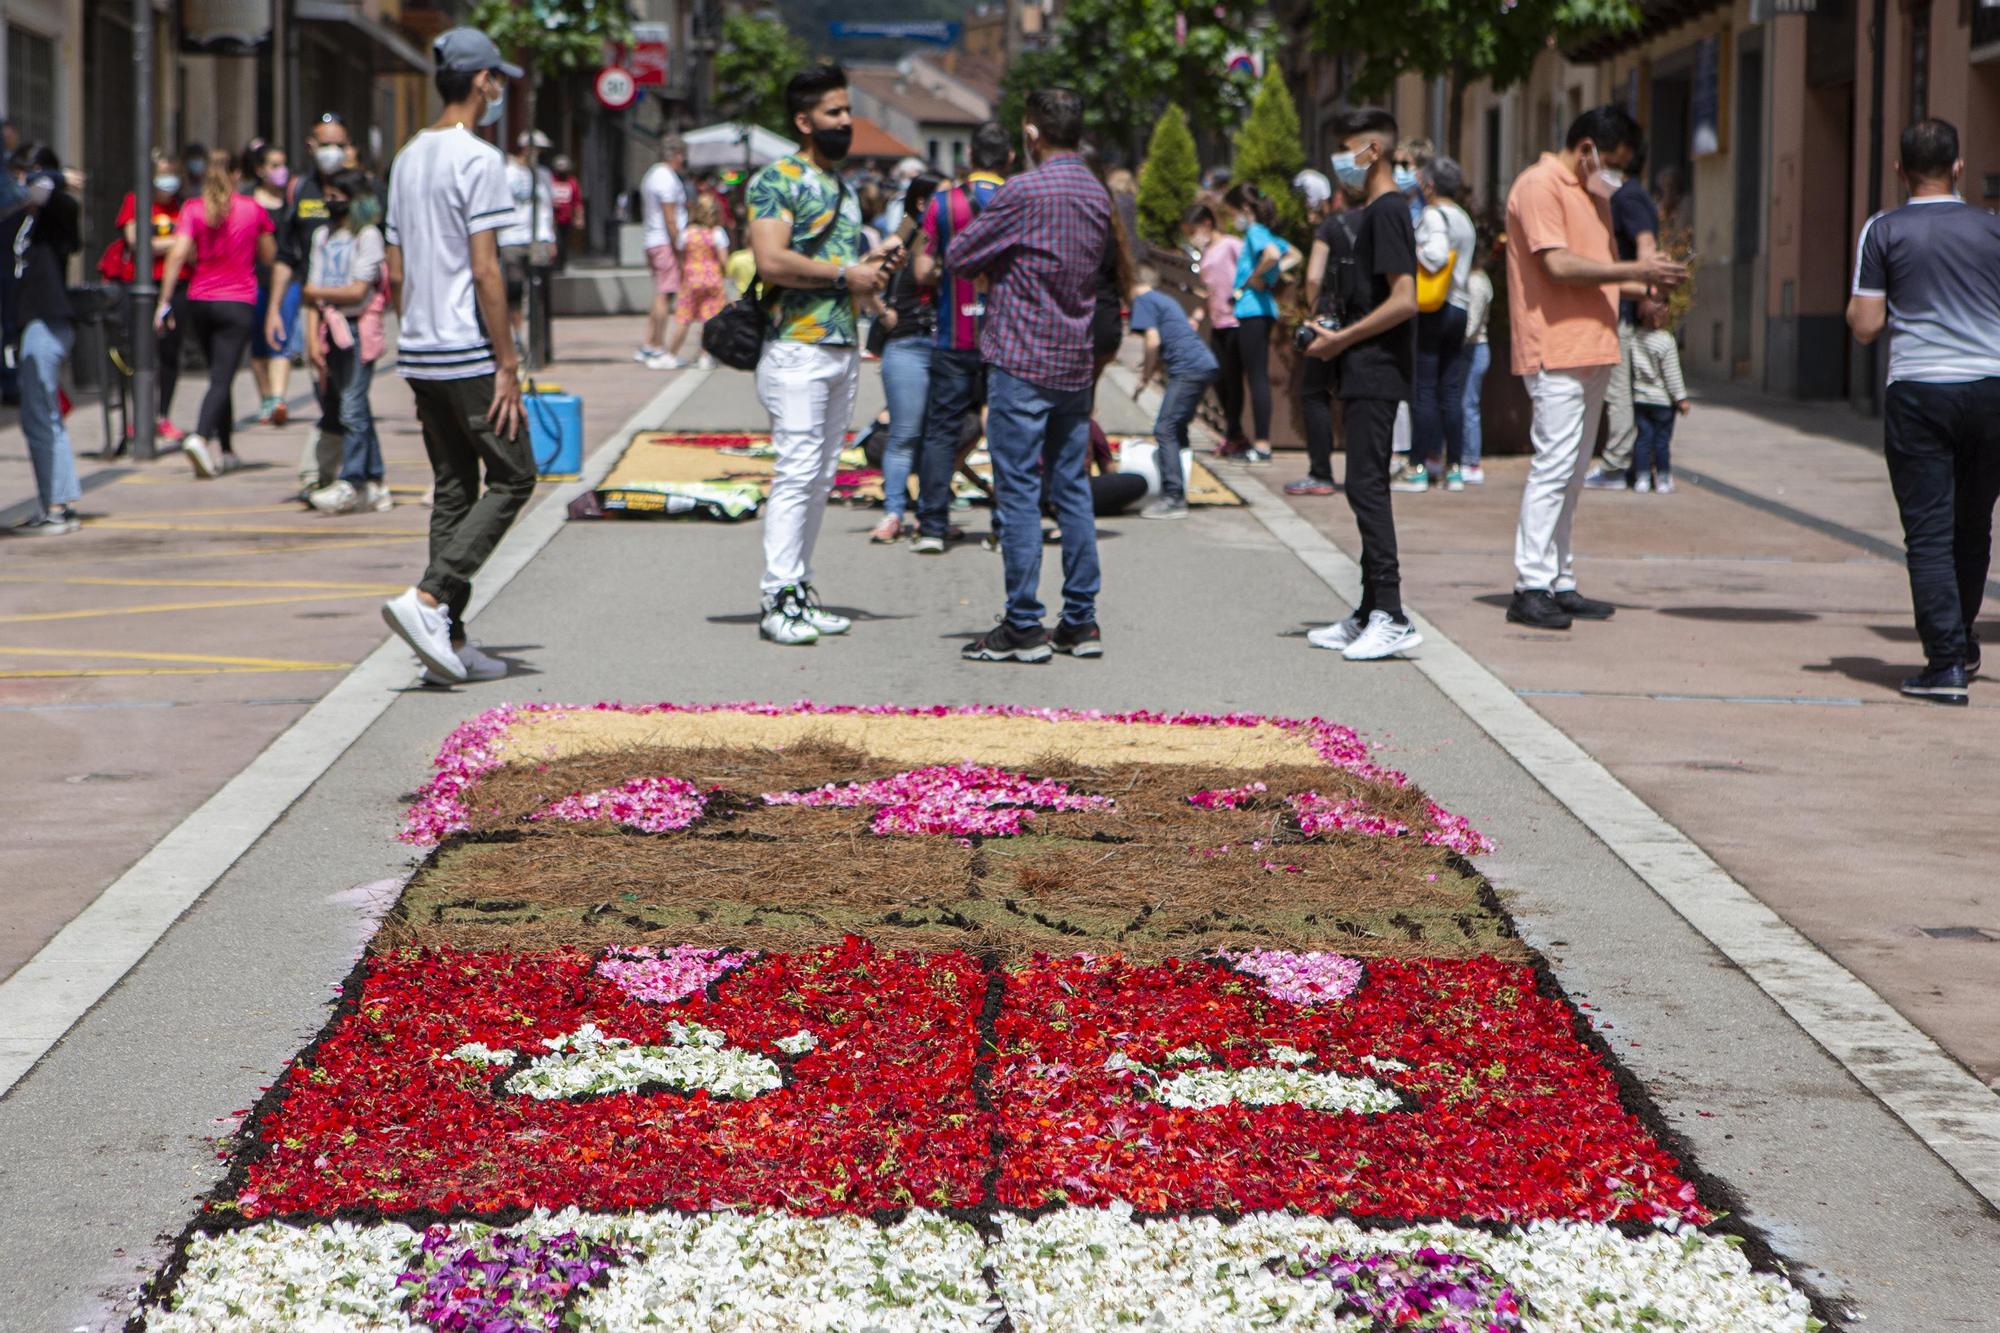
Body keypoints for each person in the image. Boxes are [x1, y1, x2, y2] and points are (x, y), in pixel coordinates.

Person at [378, 26, 533, 687]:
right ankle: (432, 596)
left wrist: (414, 326)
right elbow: (486, 270)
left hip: (418, 347)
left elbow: (393, 266)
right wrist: (507, 362)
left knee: (453, 486)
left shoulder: (409, 156)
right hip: (467, 351)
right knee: (516, 474)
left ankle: (451, 637)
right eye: (496, 79)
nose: (498, 90)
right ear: (481, 82)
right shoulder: (478, 158)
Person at [1503, 105, 1685, 630]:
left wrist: (1647, 285)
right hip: (1555, 346)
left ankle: (1559, 580)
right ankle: (1530, 584)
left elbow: (1596, 273)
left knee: (1573, 473)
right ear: (1586, 150)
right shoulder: (1540, 185)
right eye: (1613, 163)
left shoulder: (1592, 194)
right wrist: (1637, 268)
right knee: (1554, 467)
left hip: (1592, 344)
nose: (1618, 177)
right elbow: (1557, 265)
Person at [947, 87, 1111, 663]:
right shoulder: (1096, 191)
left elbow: (961, 256)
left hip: (1021, 357)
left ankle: (1022, 623)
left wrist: (1004, 266)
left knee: (1017, 490)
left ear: (1033, 133)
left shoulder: (1023, 189)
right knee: (1071, 488)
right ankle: (1080, 621)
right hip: (1074, 360)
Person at [1846, 117, 2000, 705]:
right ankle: (1961, 642)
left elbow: (1866, 326)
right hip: (1992, 390)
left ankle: (1945, 664)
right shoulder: (1991, 228)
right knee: (1973, 521)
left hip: (1920, 390)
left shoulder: (1883, 230)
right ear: (1958, 166)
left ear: (1899, 169)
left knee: (1929, 530)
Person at [745, 64, 895, 645]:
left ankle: (798, 589)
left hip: (840, 347)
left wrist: (875, 272)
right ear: (804, 121)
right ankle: (777, 596)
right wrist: (845, 272)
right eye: (833, 113)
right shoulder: (776, 180)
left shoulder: (844, 188)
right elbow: (771, 261)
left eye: (846, 111)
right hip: (795, 349)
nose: (845, 122)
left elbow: (847, 275)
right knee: (797, 470)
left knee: (821, 474)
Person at [1299, 107, 1422, 662]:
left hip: (1376, 367)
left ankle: (1392, 614)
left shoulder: (1389, 211)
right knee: (1361, 485)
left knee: (1368, 487)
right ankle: (1369, 608)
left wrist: (1341, 339)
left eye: (1348, 149)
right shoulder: (1373, 212)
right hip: (1360, 364)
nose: (1340, 163)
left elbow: (1405, 300)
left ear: (1373, 149)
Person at [910, 121, 1010, 555]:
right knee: (1005, 430)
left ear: (969, 157)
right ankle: (1004, 526)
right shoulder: (1018, 199)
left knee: (941, 430)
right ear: (1009, 159)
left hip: (954, 333)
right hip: (1007, 336)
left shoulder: (942, 203)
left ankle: (932, 524)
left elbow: (921, 270)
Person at [156, 149, 277, 478]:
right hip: (237, 301)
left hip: (199, 301)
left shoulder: (194, 209)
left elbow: (177, 255)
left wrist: (164, 301)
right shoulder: (252, 209)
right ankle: (201, 436)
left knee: (217, 378)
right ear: (237, 175)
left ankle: (226, 449)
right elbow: (269, 256)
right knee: (223, 378)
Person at [266, 111, 358, 497]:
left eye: (339, 145)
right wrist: (274, 309)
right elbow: (286, 255)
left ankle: (356, 475)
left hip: (354, 308)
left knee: (352, 396)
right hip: (311, 307)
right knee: (326, 390)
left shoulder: (361, 191)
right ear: (311, 146)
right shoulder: (299, 191)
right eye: (325, 145)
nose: (332, 152)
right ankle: (322, 473)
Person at [301, 169, 390, 515]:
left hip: (358, 329)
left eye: (338, 196)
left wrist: (318, 293)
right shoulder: (322, 235)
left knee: (352, 408)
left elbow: (357, 290)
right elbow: (312, 293)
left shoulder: (367, 236)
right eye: (328, 196)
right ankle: (376, 482)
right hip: (328, 328)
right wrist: (311, 339)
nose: (331, 202)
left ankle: (351, 482)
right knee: (353, 408)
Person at [9, 154, 82, 534]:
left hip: (47, 322)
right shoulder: (16, 221)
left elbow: (62, 202)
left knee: (42, 417)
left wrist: (49, 177)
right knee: (42, 416)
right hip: (26, 326)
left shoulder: (52, 224)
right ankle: (60, 504)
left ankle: (55, 507)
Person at [870, 173, 943, 544]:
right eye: (941, 197)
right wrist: (884, 314)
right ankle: (893, 512)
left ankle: (932, 514)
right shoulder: (909, 235)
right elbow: (865, 273)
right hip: (908, 344)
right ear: (920, 203)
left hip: (946, 346)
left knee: (937, 437)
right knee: (904, 434)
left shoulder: (949, 237)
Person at [1585, 136, 1661, 491]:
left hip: (1622, 305)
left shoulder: (1629, 197)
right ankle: (1624, 462)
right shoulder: (1624, 195)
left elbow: (1646, 244)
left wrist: (1650, 293)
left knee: (1617, 389)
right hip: (1617, 302)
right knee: (1618, 386)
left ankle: (1616, 464)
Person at [1399, 156, 1478, 493]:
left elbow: (1433, 256)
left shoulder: (1433, 215)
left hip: (1434, 307)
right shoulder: (1463, 219)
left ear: (1429, 186)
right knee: (1450, 391)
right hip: (1459, 307)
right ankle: (1455, 467)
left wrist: (1410, 243)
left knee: (1425, 389)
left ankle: (1418, 466)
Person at [110, 152, 189, 444]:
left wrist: (162, 245)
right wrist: (177, 242)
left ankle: (162, 416)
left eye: (172, 174)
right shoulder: (136, 201)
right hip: (140, 284)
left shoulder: (185, 205)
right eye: (162, 174)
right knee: (137, 350)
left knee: (170, 351)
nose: (167, 181)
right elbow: (136, 242)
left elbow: (191, 248)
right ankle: (136, 417)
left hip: (178, 285)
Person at [1128, 262, 1218, 519]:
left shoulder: (1143, 300)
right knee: (1177, 427)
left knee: (1165, 428)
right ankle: (1182, 482)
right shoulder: (1162, 299)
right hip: (1202, 364)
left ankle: (1174, 497)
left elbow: (1153, 341)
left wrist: (1145, 375)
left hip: (1189, 368)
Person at [1289, 178, 1353, 498]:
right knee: (1358, 395)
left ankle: (1320, 472)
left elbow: (1314, 275)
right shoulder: (1378, 220)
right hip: (1367, 317)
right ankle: (1365, 471)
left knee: (1314, 392)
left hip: (1330, 317)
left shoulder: (1331, 227)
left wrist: (1313, 311)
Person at [1220, 182, 1289, 465]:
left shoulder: (1256, 231)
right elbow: (1290, 253)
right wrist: (1270, 274)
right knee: (1253, 375)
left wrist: (1255, 278)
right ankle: (1258, 441)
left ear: (1245, 209)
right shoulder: (1264, 232)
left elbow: (1273, 254)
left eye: (1233, 212)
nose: (1232, 218)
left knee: (1256, 376)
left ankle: (1261, 443)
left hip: (1252, 310)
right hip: (1257, 309)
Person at [1181, 204, 1245, 456]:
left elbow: (1250, 265)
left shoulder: (1230, 244)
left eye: (1194, 230)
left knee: (1233, 380)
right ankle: (1234, 432)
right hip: (1218, 322)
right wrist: (1196, 317)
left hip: (1236, 320)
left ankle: (1234, 434)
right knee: (1218, 378)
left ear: (1207, 223)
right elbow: (1209, 293)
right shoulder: (1207, 252)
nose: (1193, 236)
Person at [244, 139, 299, 426]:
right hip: (252, 280)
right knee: (258, 345)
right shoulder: (248, 200)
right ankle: (266, 398)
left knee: (280, 336)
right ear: (260, 170)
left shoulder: (293, 199)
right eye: (275, 165)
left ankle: (278, 399)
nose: (282, 171)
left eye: (283, 164)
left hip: (288, 279)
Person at [635, 136, 689, 369]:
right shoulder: (667, 179)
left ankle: (649, 343)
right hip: (664, 240)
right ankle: (657, 346)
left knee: (660, 292)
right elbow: (670, 217)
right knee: (665, 294)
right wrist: (679, 245)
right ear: (675, 155)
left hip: (653, 239)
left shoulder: (652, 175)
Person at [499, 131, 554, 347]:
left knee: (538, 286)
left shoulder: (543, 175)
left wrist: (551, 238)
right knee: (514, 287)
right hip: (511, 236)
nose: (537, 154)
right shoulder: (507, 173)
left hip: (538, 237)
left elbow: (547, 208)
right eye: (534, 149)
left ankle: (537, 338)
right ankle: (516, 333)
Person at [664, 192, 728, 373]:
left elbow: (682, 258)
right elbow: (723, 259)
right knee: (709, 320)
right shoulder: (717, 233)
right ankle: (705, 356)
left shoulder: (686, 234)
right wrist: (723, 272)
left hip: (691, 280)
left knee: (684, 319)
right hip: (712, 279)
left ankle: (671, 353)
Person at [1628, 303, 1688, 494]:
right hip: (1661, 400)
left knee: (1643, 439)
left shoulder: (1634, 338)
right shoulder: (1665, 341)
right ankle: (1663, 478)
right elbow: (1671, 373)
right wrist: (1681, 398)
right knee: (1661, 441)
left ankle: (1642, 477)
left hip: (1640, 398)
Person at [1459, 240, 1494, 486]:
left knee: (1468, 405)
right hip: (1471, 349)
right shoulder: (1473, 279)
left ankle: (1471, 461)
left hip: (1474, 349)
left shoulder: (1476, 282)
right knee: (1463, 404)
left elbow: (1471, 325)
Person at [549, 153, 583, 269]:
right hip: (553, 218)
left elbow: (577, 202)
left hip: (567, 218)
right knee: (556, 241)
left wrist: (579, 218)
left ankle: (562, 262)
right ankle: (555, 263)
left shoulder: (572, 182)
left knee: (564, 242)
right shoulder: (551, 181)